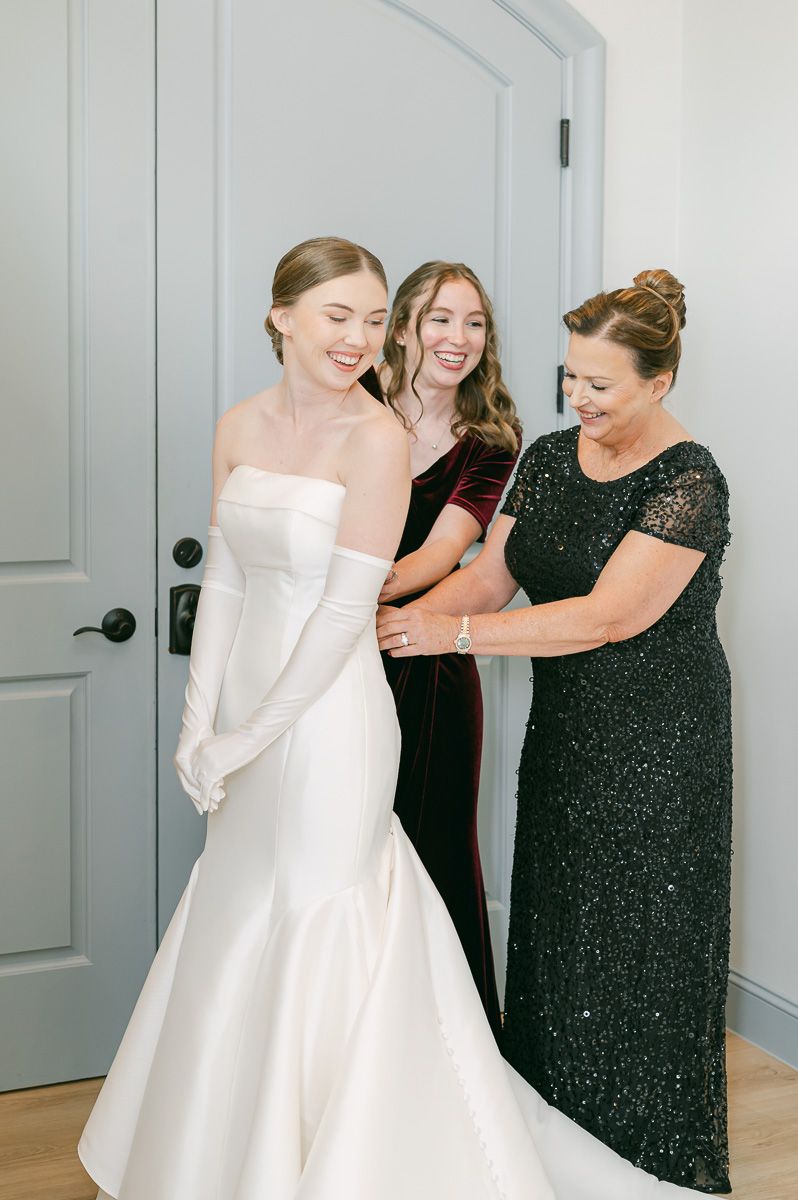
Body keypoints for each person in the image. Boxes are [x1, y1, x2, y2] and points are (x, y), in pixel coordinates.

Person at [79, 243, 705, 1199]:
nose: (362, 337)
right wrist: (200, 723)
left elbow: (378, 597)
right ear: (283, 315)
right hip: (275, 685)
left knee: (352, 901)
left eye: (373, 319)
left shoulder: (406, 441)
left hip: (356, 693)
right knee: (241, 905)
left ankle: (355, 1152)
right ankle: (225, 1147)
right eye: (344, 316)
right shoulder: (245, 424)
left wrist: (273, 720)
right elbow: (228, 574)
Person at [377, 270, 732, 1193]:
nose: (578, 398)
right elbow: (493, 580)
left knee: (639, 943)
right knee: (559, 926)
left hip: (662, 742)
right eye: (569, 377)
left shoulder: (691, 480)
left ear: (658, 384)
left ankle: (647, 1159)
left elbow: (605, 616)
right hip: (569, 730)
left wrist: (446, 635)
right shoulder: (546, 455)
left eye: (600, 385)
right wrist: (386, 626)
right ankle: (547, 1140)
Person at [367, 261, 520, 1038]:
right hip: (338, 655)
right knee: (349, 842)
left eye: (474, 323)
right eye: (440, 319)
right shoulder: (352, 406)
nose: (458, 339)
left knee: (433, 848)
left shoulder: (492, 436)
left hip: (428, 665)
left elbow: (441, 553)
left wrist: (350, 600)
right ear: (401, 327)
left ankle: (451, 1049)